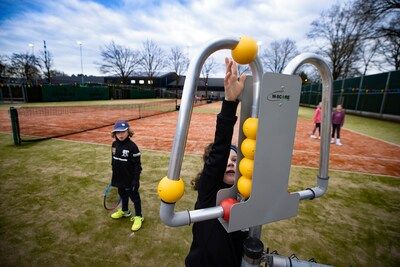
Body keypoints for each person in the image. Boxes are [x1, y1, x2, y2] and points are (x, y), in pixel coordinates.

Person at [185, 57, 248, 267]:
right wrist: (230, 103)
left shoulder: (244, 195)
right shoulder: (208, 192)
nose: (230, 163)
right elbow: (219, 151)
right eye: (227, 160)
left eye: (235, 159)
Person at [110, 120, 143, 231]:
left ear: (128, 132)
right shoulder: (114, 144)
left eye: (123, 131)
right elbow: (114, 161)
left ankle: (139, 216)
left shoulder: (133, 147)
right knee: (122, 195)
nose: (121, 134)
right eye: (118, 132)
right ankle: (125, 211)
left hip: (130, 180)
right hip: (119, 178)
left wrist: (135, 180)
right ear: (114, 133)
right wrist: (114, 177)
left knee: (134, 198)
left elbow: (137, 166)